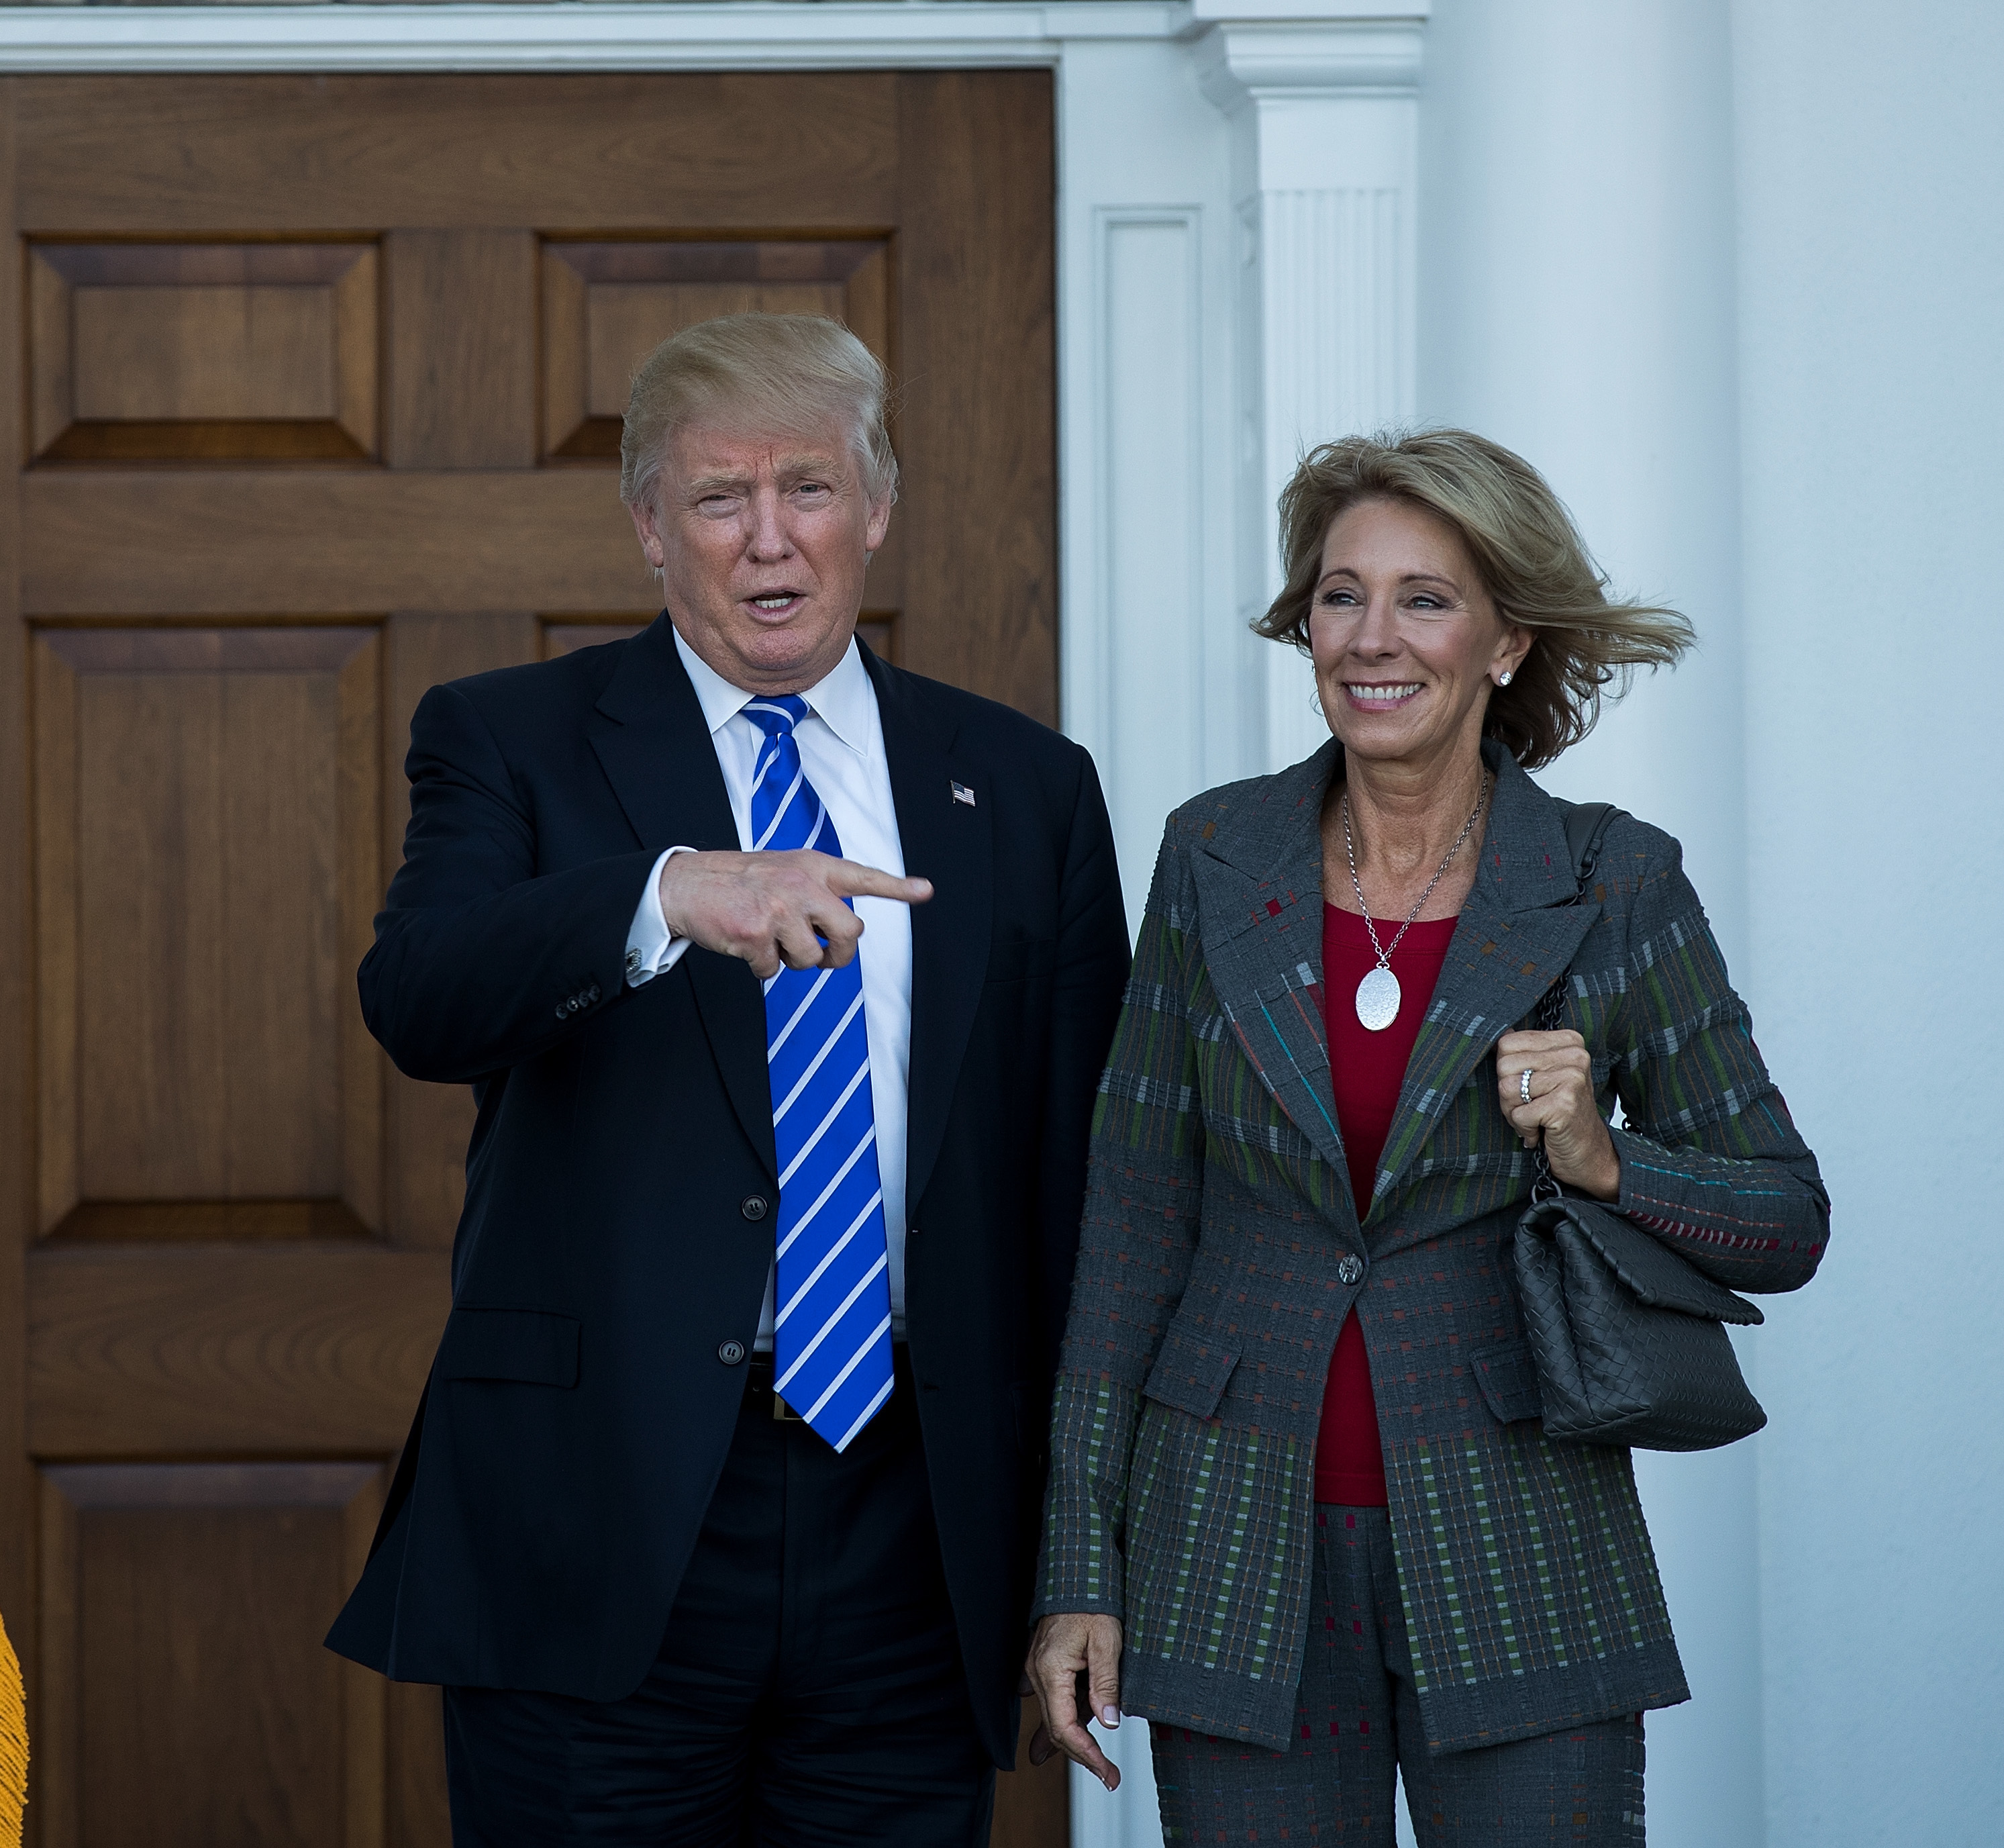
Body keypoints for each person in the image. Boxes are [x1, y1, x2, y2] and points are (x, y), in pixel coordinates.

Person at [325, 313, 1132, 1842]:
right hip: (603, 1521)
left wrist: (1079, 1549)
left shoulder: (1023, 785)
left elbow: (1079, 1187)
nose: (770, 539)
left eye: (808, 489)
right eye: (717, 498)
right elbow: (419, 1000)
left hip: (916, 1520)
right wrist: (666, 894)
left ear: (876, 512)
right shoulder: (513, 741)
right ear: (648, 527)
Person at [1023, 430, 1829, 1840]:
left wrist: (1603, 1158)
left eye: (1424, 598)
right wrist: (1077, 1566)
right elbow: (1135, 1222)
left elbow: (1783, 1220)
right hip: (1229, 1538)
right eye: (1340, 595)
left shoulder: (1608, 876)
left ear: (1508, 641)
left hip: (1518, 1535)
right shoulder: (1211, 857)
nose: (1371, 638)